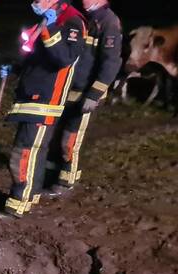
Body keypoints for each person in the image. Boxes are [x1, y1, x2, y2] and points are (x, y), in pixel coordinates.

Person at [0, 0, 86, 220]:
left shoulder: (71, 22)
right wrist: (16, 68)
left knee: (24, 152)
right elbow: (38, 59)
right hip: (34, 96)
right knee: (35, 152)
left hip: (46, 100)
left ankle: (17, 205)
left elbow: (63, 59)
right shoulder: (48, 19)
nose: (34, 2)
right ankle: (30, 196)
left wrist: (50, 29)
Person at [44, 0, 122, 195]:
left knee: (70, 140)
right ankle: (50, 176)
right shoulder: (81, 17)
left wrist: (95, 94)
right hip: (68, 89)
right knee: (54, 137)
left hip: (87, 93)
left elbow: (111, 62)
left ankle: (66, 183)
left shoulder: (108, 22)